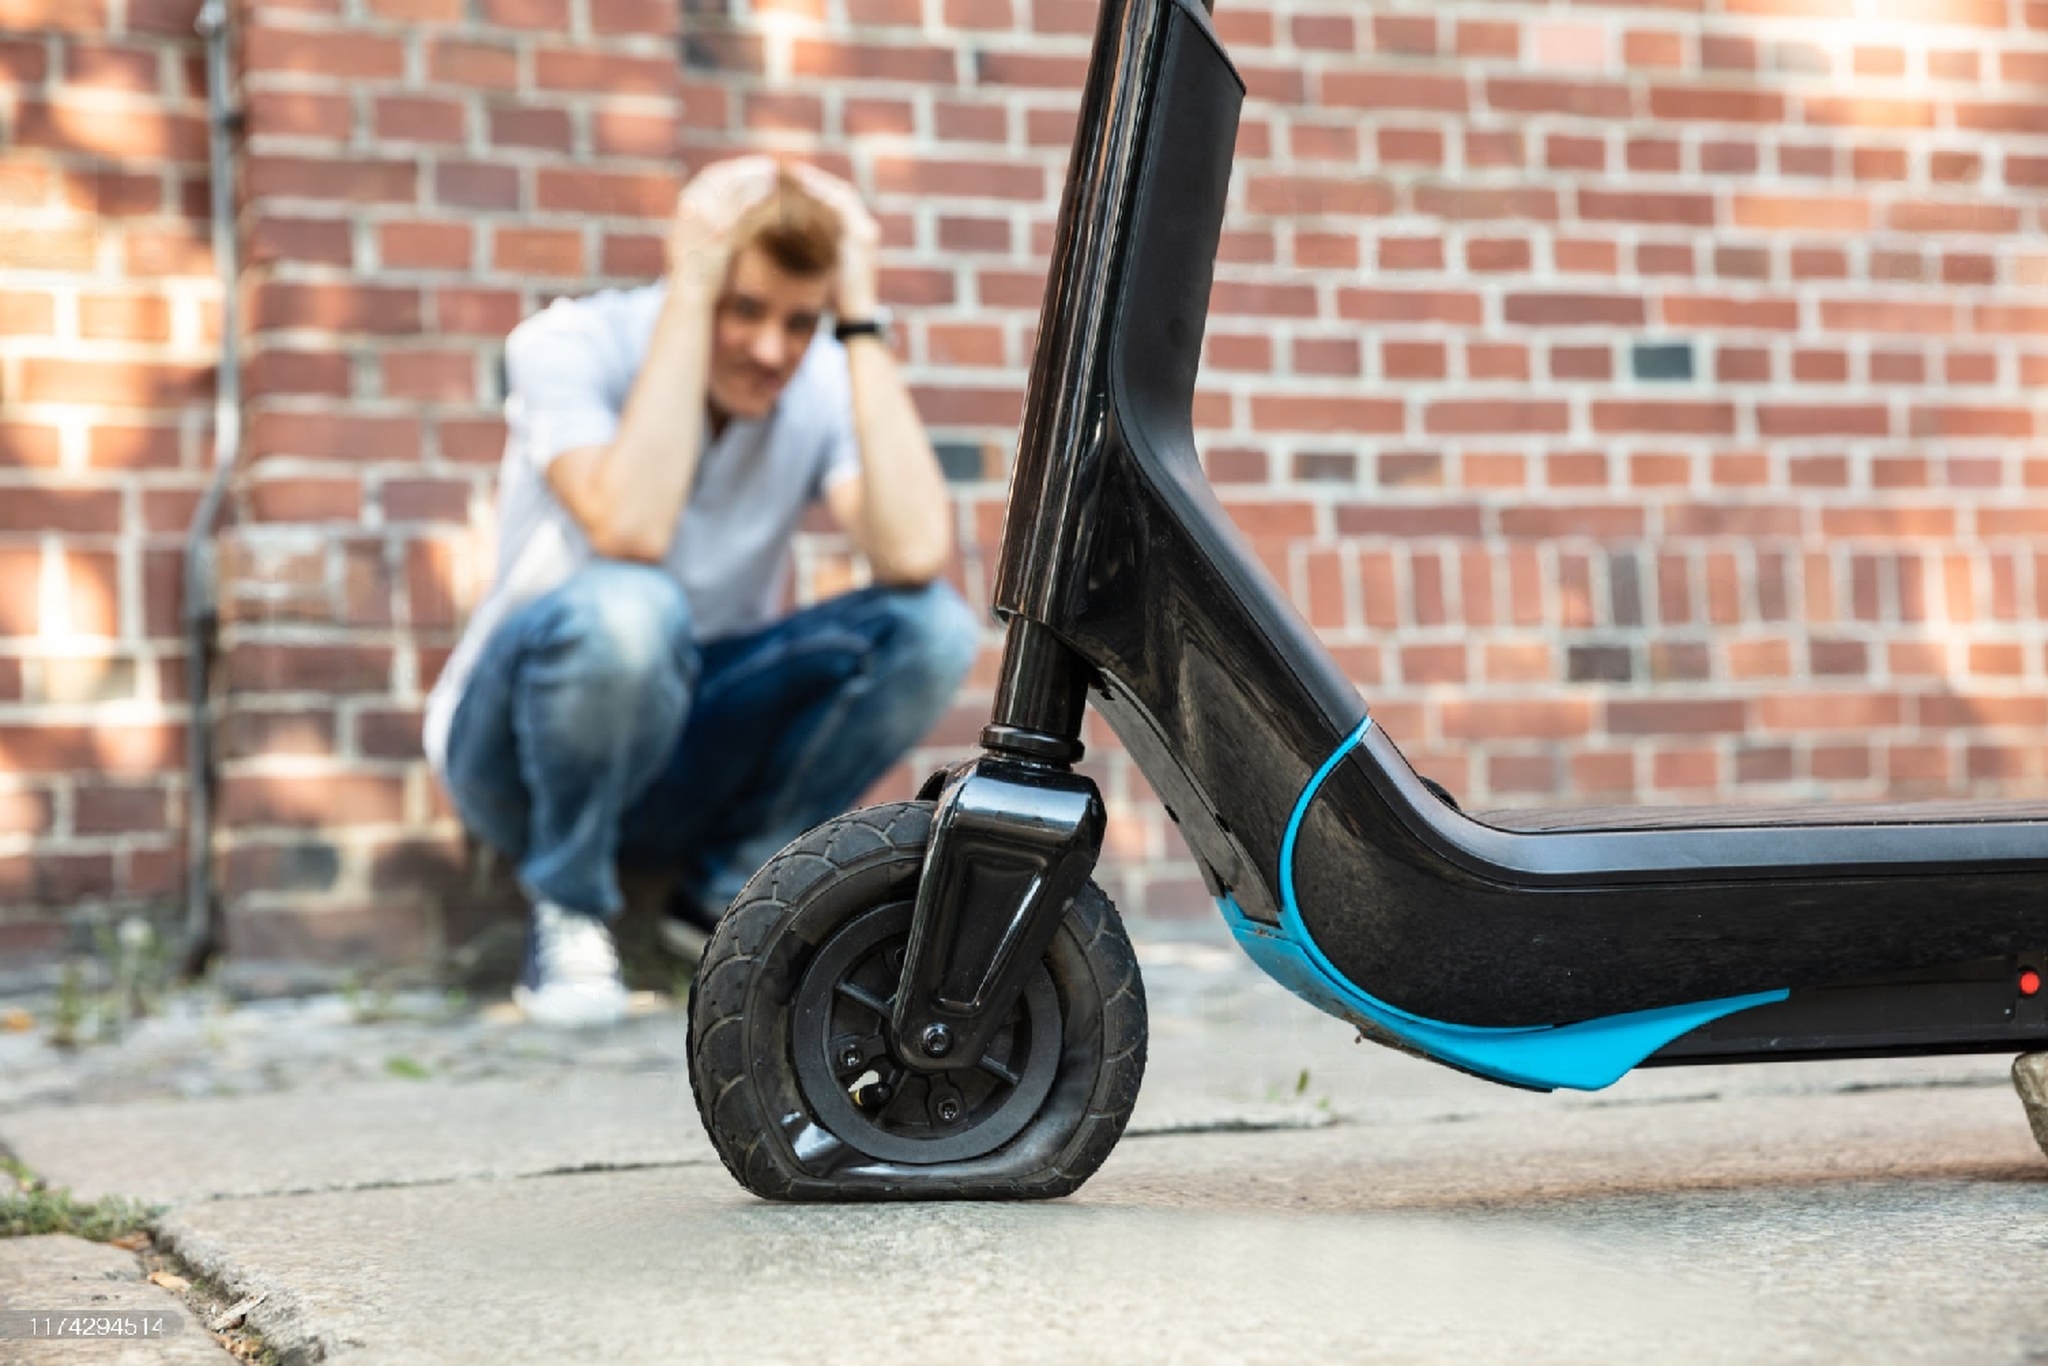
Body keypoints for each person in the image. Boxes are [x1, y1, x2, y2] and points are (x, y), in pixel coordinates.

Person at [421, 156, 980, 1027]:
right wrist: (692, 290)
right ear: (696, 278)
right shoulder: (567, 345)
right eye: (745, 309)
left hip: (687, 739)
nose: (772, 349)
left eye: (801, 321)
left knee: (933, 629)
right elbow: (631, 531)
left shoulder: (819, 375)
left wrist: (859, 317)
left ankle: (725, 901)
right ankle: (569, 902)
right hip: (517, 753)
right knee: (633, 607)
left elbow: (912, 552)